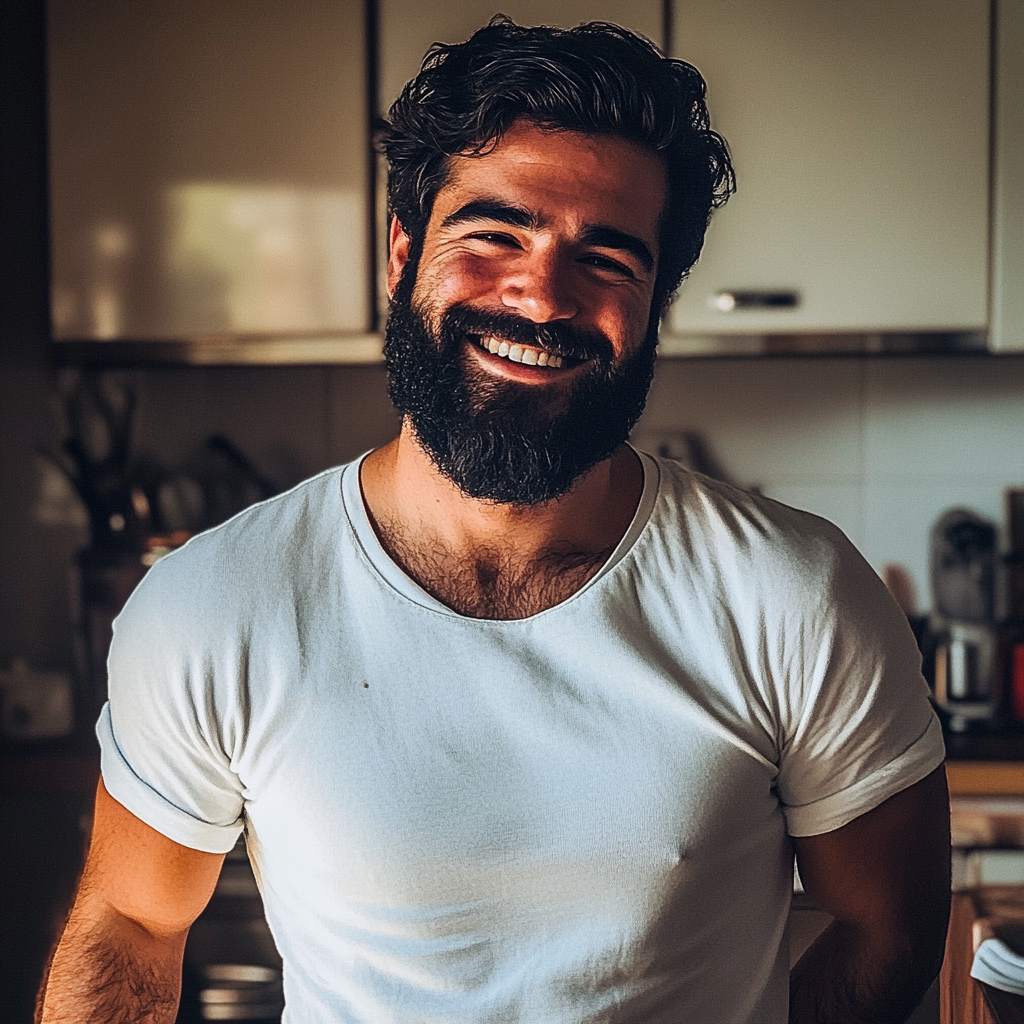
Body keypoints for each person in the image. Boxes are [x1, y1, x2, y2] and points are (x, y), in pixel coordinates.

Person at [39, 18, 950, 1024]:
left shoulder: (793, 593)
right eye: (493, 235)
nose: (540, 295)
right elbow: (128, 920)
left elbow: (889, 922)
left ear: (657, 303)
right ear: (403, 254)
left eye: (605, 258)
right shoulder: (216, 601)